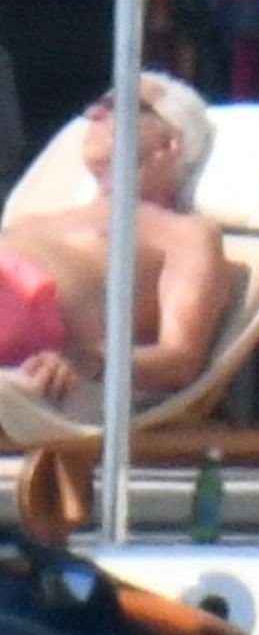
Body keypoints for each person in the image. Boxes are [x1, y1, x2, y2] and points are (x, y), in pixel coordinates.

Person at [3, 71, 234, 403]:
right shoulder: (35, 219)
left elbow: (181, 359)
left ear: (169, 143)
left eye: (118, 105)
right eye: (98, 105)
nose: (94, 113)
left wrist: (91, 362)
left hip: (25, 302)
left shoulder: (182, 234)